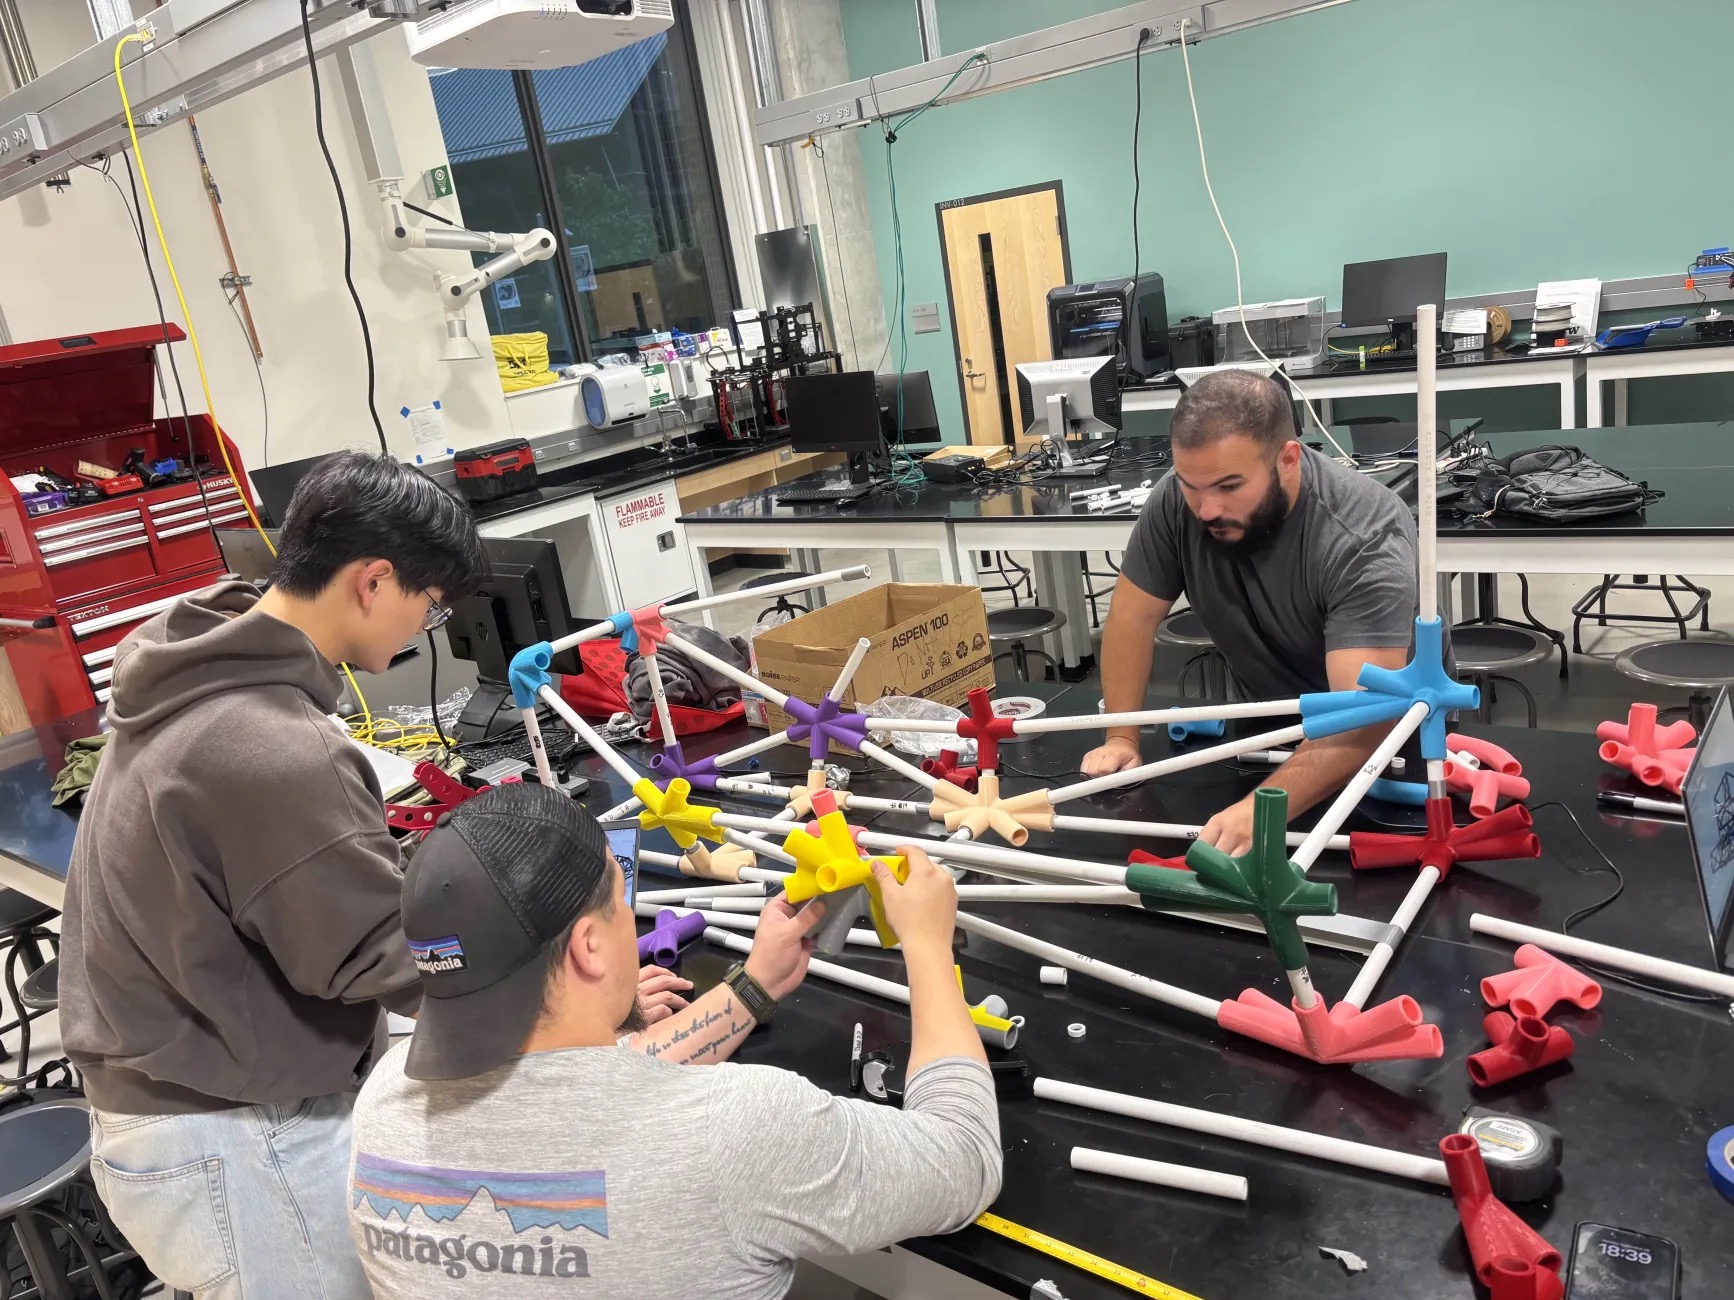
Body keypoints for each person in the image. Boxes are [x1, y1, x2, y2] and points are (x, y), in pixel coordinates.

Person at [58, 452, 587, 1300]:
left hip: (170, 1099)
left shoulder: (200, 659)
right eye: (429, 603)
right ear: (373, 581)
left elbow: (292, 882)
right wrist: (567, 993)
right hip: (229, 1135)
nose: (425, 627)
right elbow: (381, 960)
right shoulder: (273, 744)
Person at [348, 782, 1003, 1298]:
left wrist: (750, 988)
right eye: (619, 894)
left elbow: (575, 1092)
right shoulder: (734, 1131)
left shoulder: (383, 1103)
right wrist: (926, 945)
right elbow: (964, 1159)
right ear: (590, 947)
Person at [1081, 370, 1418, 855]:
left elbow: (1361, 718)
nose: (1206, 509)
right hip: (1270, 734)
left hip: (1390, 750)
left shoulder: (1363, 535)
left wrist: (1262, 810)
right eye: (1190, 486)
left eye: (1229, 485)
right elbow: (1133, 618)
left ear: (1287, 459)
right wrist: (1120, 736)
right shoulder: (1180, 502)